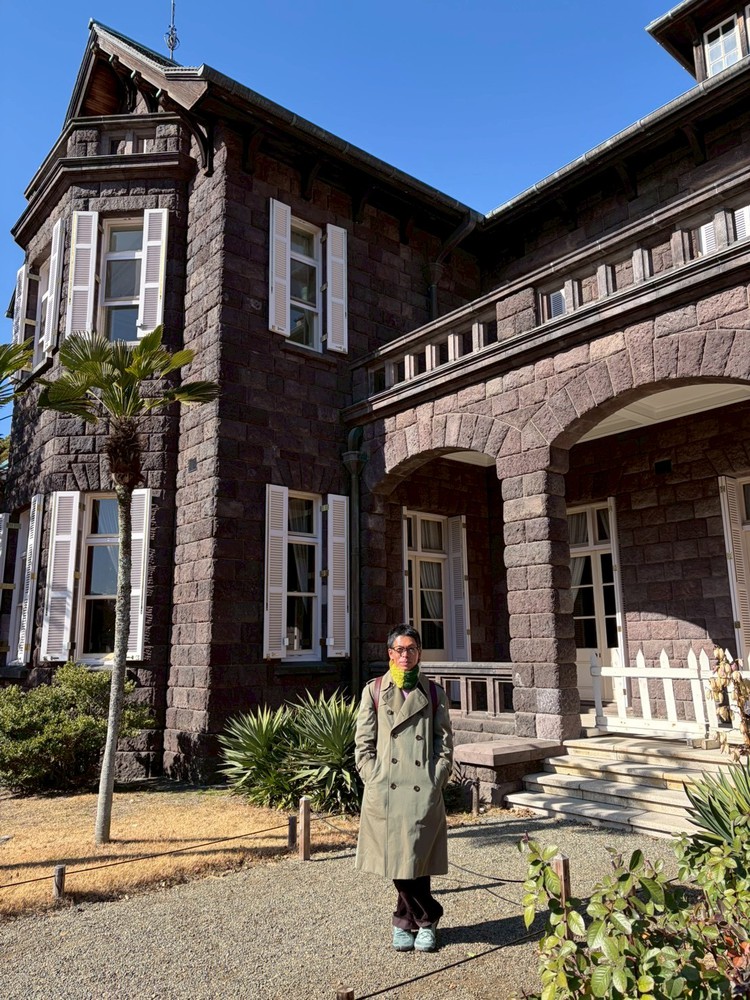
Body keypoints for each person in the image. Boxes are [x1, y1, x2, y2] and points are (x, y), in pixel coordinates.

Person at [354, 623, 454, 952]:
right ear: (390, 653)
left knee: (415, 856)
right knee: (399, 858)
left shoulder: (434, 692)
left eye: (411, 649)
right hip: (386, 788)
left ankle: (406, 921)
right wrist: (372, 775)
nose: (405, 655)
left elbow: (444, 743)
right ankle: (426, 917)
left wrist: (436, 778)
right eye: (399, 649)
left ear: (419, 653)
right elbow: (363, 743)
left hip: (422, 788)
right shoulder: (374, 690)